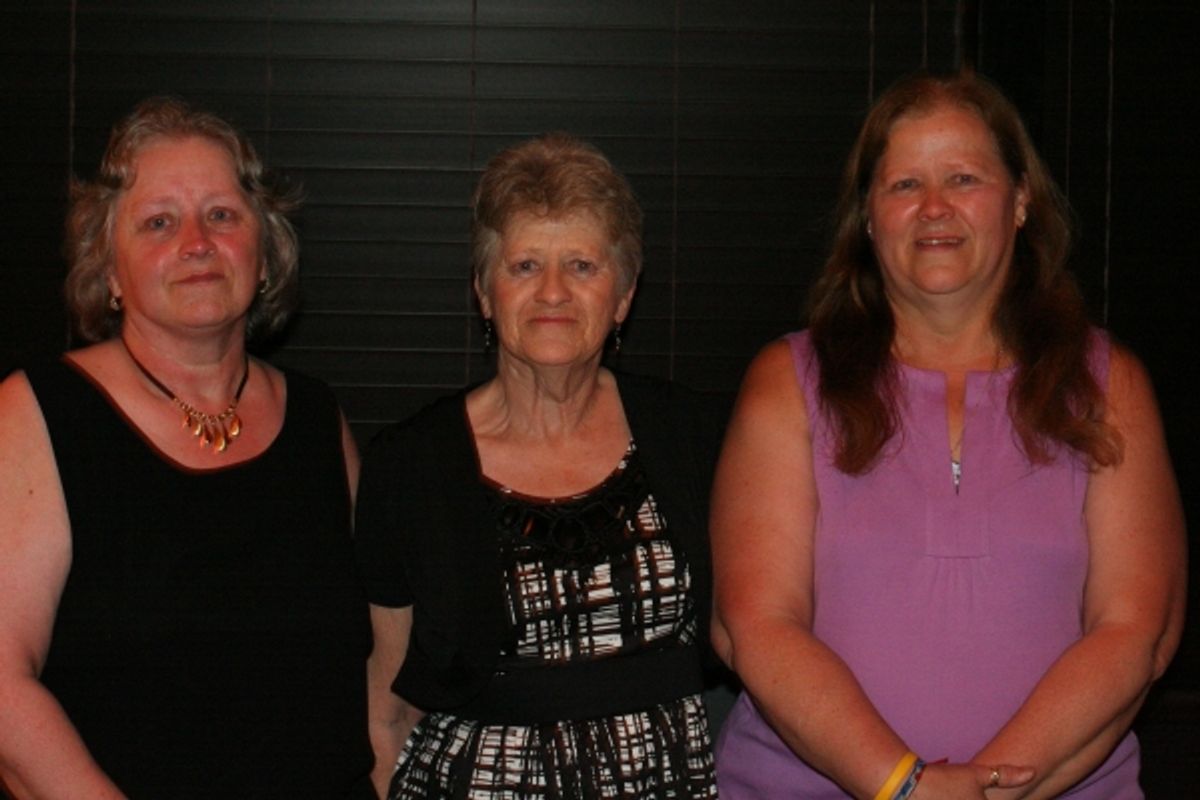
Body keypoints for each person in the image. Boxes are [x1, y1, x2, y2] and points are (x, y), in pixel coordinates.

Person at [711, 71, 1186, 799]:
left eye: (963, 177)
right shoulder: (787, 384)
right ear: (869, 217)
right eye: (903, 185)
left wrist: (982, 790)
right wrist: (904, 786)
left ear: (1020, 200)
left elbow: (1134, 632)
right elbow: (758, 624)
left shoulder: (1108, 385)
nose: (933, 208)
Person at [0, 97, 374, 798]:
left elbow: (374, 665)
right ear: (108, 271)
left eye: (223, 215)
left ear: (264, 254)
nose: (197, 242)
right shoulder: (37, 413)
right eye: (159, 222)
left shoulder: (321, 421)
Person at [354, 133, 720, 799]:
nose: (553, 292)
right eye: (524, 266)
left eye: (582, 266)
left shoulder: (695, 436)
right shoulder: (409, 466)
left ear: (625, 297)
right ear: (484, 293)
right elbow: (386, 707)